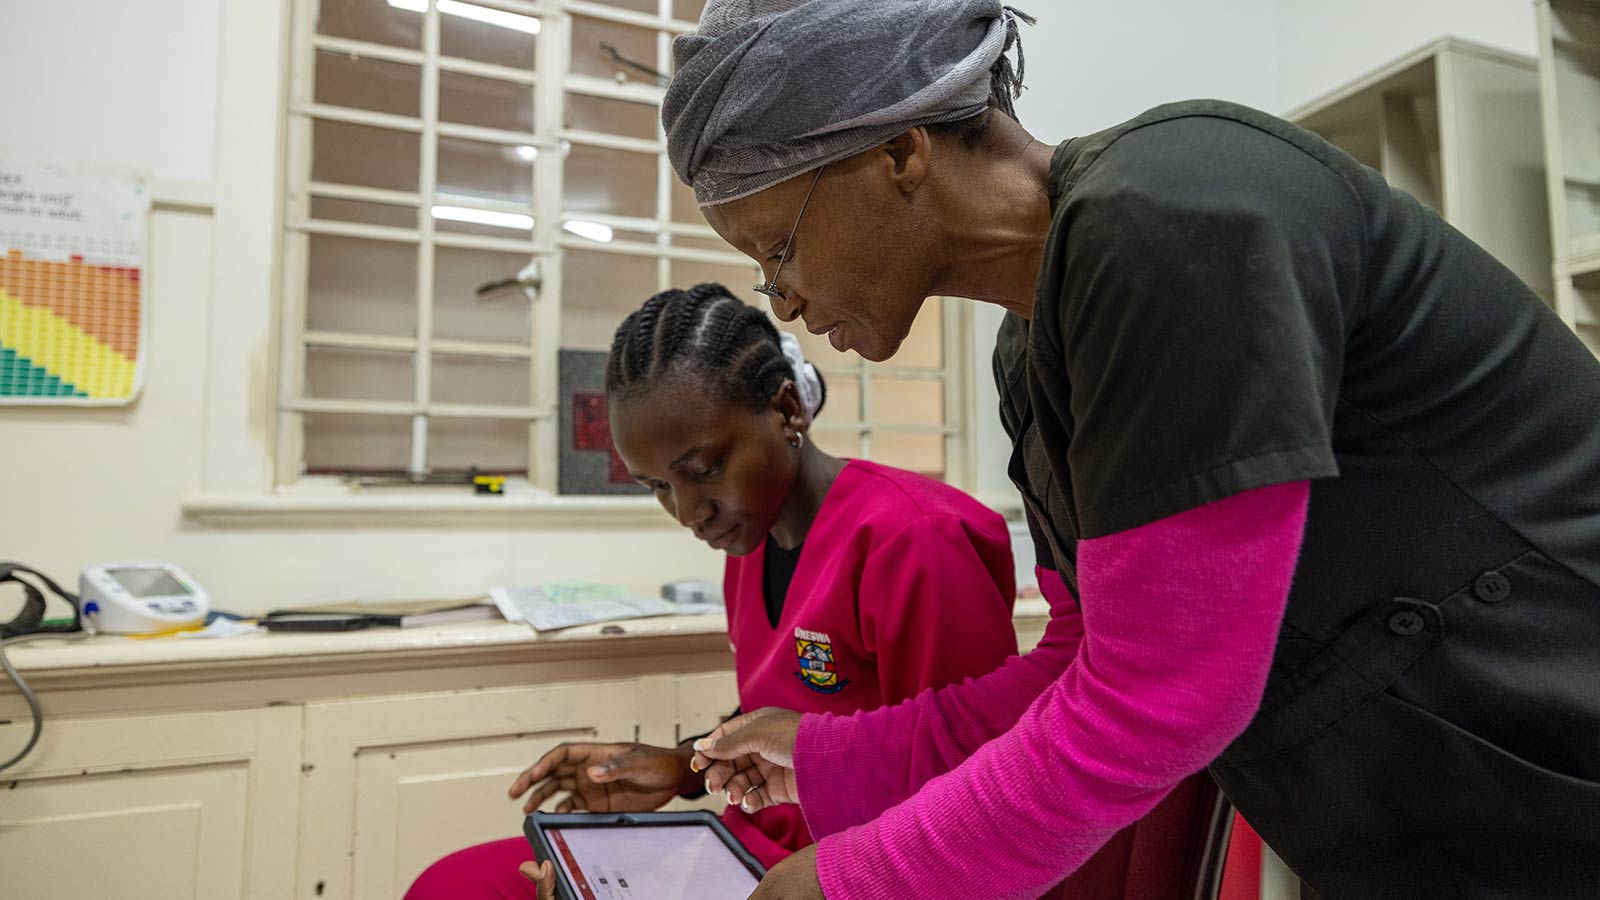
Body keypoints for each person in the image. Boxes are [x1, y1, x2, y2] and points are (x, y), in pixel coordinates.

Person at [661, 2, 1600, 899]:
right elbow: (1082, 660)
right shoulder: (1033, 349)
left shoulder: (1176, 210)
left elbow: (1156, 700)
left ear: (899, 153)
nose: (779, 300)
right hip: (1427, 827)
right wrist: (832, 754)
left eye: (777, 248)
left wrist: (862, 879)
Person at [403, 284, 1023, 899]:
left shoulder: (915, 539)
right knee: (450, 885)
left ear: (786, 411)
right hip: (743, 844)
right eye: (657, 487)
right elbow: (786, 707)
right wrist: (683, 765)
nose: (688, 511)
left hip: (846, 867)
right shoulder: (749, 538)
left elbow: (974, 785)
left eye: (703, 471)